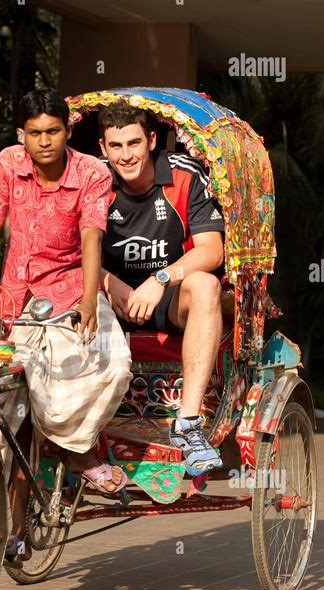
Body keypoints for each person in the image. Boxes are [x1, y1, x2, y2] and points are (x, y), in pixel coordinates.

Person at [0, 90, 132, 567]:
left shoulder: (90, 172)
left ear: (68, 131)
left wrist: (89, 300)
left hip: (69, 292)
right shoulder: (7, 163)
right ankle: (17, 531)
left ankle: (78, 453)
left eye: (54, 131)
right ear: (22, 134)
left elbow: (91, 238)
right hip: (16, 297)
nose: (44, 142)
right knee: (14, 413)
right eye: (35, 133)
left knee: (114, 362)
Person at [98, 100, 225, 476]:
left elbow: (212, 251)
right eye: (116, 147)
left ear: (152, 140)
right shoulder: (92, 179)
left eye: (134, 143)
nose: (126, 155)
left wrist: (160, 279)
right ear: (103, 149)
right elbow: (72, 249)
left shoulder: (186, 175)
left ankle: (188, 425)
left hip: (168, 295)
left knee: (204, 285)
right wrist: (111, 285)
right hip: (108, 296)